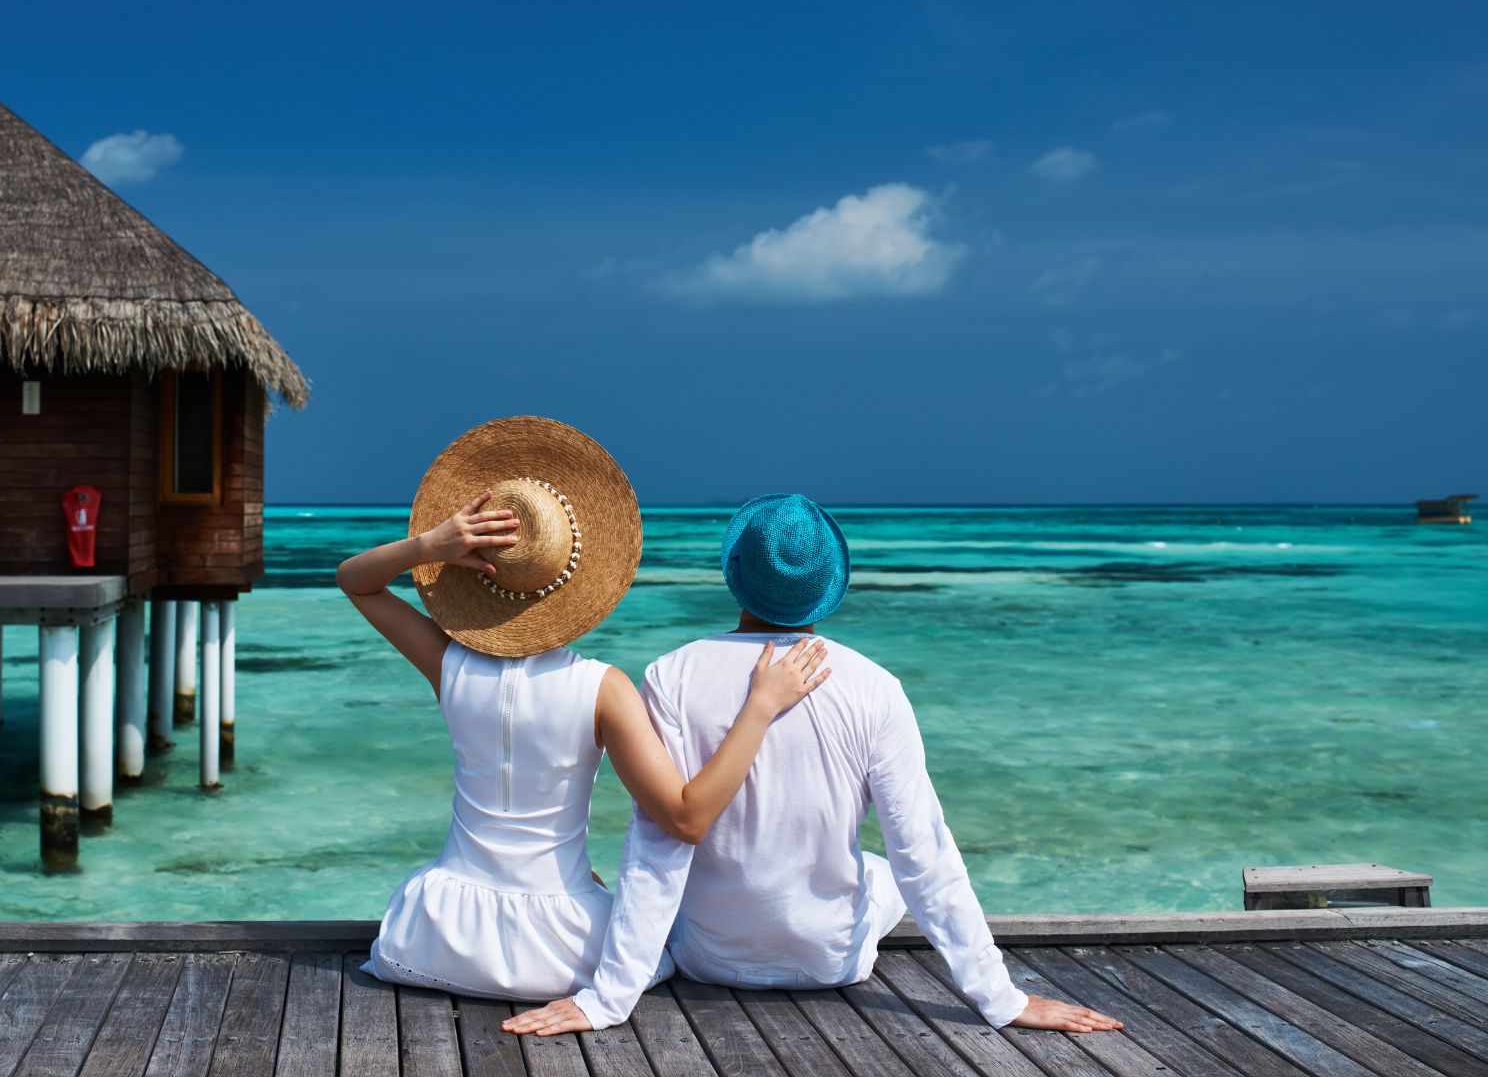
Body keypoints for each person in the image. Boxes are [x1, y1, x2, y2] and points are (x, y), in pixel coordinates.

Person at [504, 494, 1124, 1036]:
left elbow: (658, 844)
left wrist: (608, 998)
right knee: (887, 867)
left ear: (735, 573)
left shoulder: (672, 674)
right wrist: (1002, 998)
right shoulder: (873, 686)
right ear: (829, 582)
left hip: (709, 957)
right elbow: (925, 854)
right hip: (832, 963)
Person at [337, 418, 831, 1003]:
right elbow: (686, 819)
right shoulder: (602, 688)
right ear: (579, 577)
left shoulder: (449, 665)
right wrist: (761, 706)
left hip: (433, 937)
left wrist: (427, 547)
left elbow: (355, 581)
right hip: (558, 951)